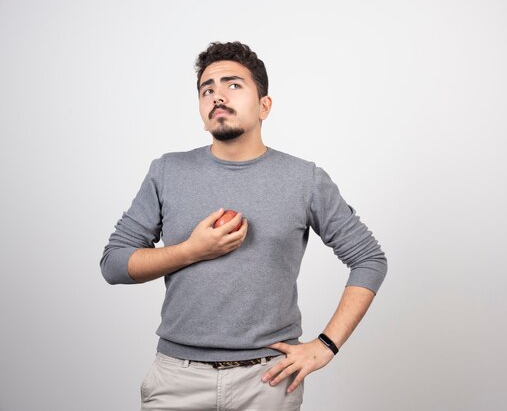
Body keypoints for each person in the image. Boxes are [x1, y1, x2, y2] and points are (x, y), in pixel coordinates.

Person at [101, 41, 387, 411]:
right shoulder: (167, 171)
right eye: (208, 89)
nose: (218, 95)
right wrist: (192, 250)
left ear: (264, 105)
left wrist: (325, 346)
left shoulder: (305, 179)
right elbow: (114, 264)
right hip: (177, 378)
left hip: (267, 382)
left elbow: (369, 259)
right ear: (202, 110)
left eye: (233, 85)